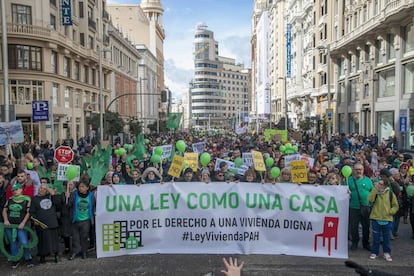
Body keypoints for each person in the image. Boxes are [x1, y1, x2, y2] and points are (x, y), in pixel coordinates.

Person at [2, 183, 34, 268]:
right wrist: (5, 220)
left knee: (24, 242)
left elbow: (28, 213)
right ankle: (16, 259)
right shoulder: (9, 199)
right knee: (13, 242)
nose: (15, 191)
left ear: (21, 189)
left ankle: (28, 258)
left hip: (21, 225)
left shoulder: (27, 199)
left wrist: (23, 223)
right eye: (13, 190)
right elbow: (4, 210)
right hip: (10, 225)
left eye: (16, 189)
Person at [368, 177, 399, 261]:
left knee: (386, 238)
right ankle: (374, 252)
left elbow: (395, 206)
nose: (379, 185)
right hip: (375, 218)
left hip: (387, 219)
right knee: (376, 238)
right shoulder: (375, 192)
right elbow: (370, 199)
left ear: (385, 185)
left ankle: (386, 253)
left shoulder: (390, 194)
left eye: (381, 184)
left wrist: (390, 211)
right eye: (379, 183)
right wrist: (375, 190)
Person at [30, 183, 61, 263]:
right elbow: (32, 212)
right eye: (40, 188)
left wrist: (49, 189)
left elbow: (58, 204)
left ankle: (56, 254)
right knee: (42, 241)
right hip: (41, 224)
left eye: (44, 189)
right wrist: (34, 220)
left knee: (54, 240)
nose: (41, 190)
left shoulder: (50, 197)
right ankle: (42, 256)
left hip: (52, 222)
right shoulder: (34, 199)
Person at [67, 180, 96, 260]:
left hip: (86, 220)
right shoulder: (74, 194)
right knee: (75, 237)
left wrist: (94, 212)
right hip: (75, 219)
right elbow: (69, 205)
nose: (80, 188)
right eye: (79, 186)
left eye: (83, 186)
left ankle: (84, 252)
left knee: (84, 236)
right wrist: (68, 197)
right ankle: (75, 252)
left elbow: (94, 205)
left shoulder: (91, 195)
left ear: (87, 188)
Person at [347, 163, 373, 251]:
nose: (358, 171)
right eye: (356, 169)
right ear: (353, 170)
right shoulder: (349, 180)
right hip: (353, 207)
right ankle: (355, 243)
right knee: (354, 227)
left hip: (366, 207)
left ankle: (366, 243)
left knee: (366, 226)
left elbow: (373, 192)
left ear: (363, 170)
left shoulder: (368, 180)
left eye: (360, 169)